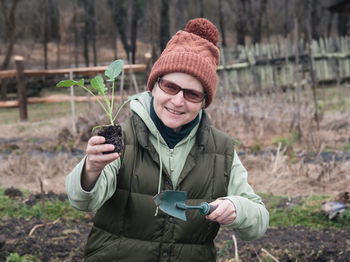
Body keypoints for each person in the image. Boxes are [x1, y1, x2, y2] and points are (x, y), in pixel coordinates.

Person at [66, 18, 269, 262]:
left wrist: (238, 208)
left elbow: (258, 222)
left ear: (204, 102)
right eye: (170, 87)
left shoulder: (221, 150)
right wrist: (91, 169)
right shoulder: (121, 138)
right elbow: (82, 201)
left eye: (192, 94)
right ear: (154, 86)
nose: (178, 101)